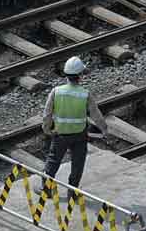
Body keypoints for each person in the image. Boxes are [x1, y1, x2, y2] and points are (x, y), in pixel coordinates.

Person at [41, 56, 108, 190]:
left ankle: (46, 190)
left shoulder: (56, 92)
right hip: (79, 135)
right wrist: (104, 129)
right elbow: (96, 115)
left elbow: (47, 114)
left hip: (60, 134)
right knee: (77, 164)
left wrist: (47, 129)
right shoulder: (85, 94)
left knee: (53, 161)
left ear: (66, 74)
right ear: (80, 75)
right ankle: (73, 192)